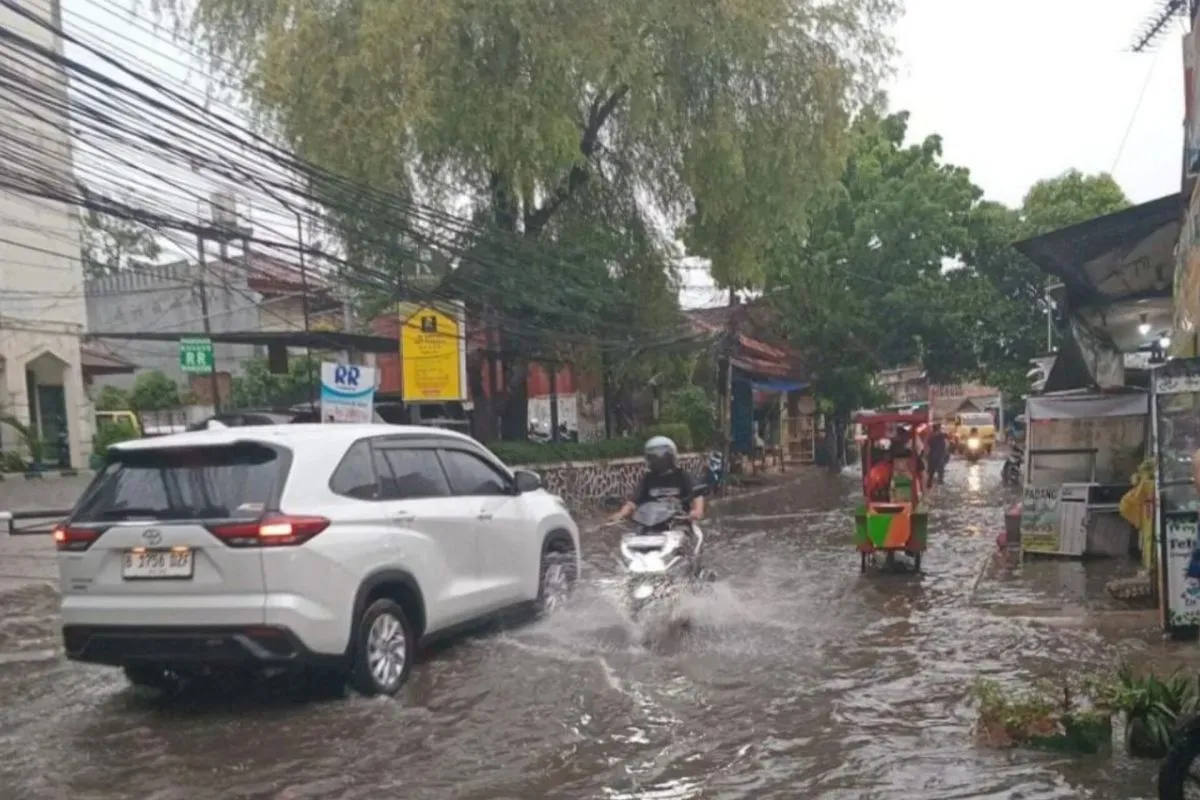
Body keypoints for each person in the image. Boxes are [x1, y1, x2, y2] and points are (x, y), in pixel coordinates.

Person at [611, 436, 705, 523]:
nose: (659, 461)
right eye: (654, 458)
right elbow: (634, 501)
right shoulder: (648, 478)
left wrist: (697, 511)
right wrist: (621, 513)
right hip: (649, 523)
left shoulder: (681, 475)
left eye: (663, 457)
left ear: (672, 457)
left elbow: (697, 495)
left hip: (678, 522)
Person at [927, 423, 948, 488]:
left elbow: (928, 446)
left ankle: (930, 484)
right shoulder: (940, 436)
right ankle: (938, 483)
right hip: (938, 457)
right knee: (939, 474)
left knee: (931, 473)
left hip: (933, 457)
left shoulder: (931, 436)